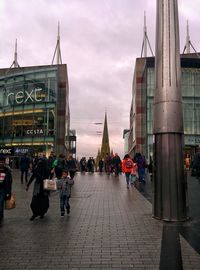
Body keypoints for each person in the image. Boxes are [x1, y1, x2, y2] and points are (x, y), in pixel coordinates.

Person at [0, 155, 12, 225]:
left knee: (1, 205)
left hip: (3, 190)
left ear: (4, 162)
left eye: (2, 162)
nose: (1, 163)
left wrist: (8, 192)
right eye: (0, 162)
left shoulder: (7, 171)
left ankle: (0, 218)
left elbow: (9, 182)